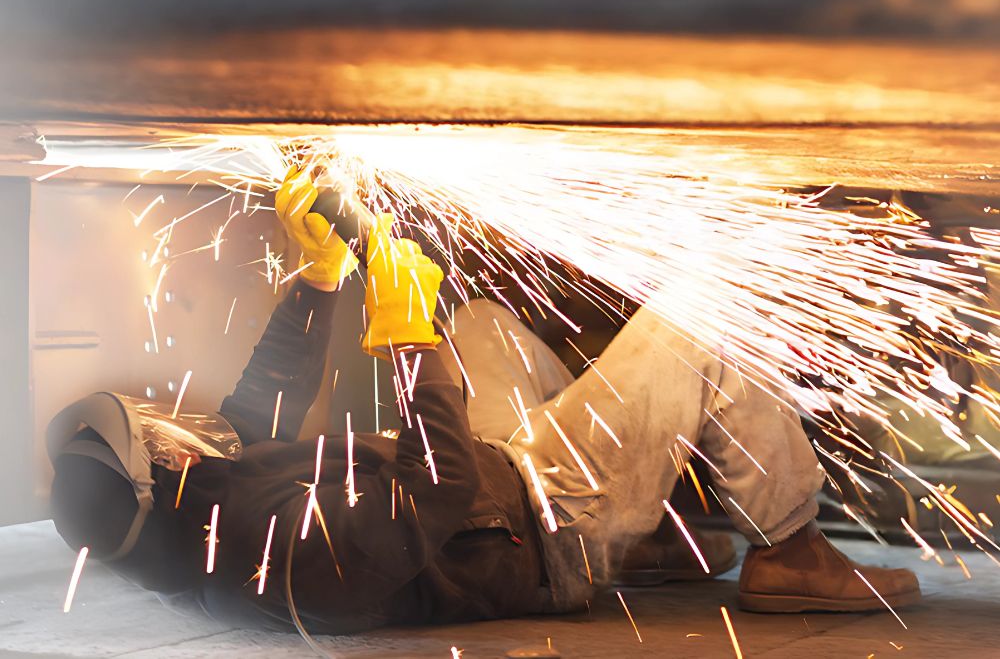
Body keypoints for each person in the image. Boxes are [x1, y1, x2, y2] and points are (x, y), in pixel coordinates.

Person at [47, 169, 920, 634]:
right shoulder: (294, 561)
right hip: (544, 528)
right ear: (154, 463)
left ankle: (654, 534)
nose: (175, 425)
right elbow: (438, 492)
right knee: (705, 317)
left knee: (483, 322)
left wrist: (317, 281)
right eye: (157, 432)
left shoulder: (186, 514)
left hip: (501, 489)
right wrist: (406, 342)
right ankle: (792, 545)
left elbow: (255, 413)